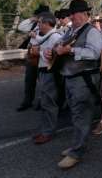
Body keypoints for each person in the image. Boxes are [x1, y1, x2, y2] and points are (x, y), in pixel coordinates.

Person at [46, 0, 102, 169]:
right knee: (76, 115)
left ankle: (77, 152)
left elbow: (94, 53)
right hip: (70, 78)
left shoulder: (92, 31)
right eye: (71, 14)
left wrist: (71, 50)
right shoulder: (71, 30)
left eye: (74, 13)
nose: (71, 16)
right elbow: (59, 44)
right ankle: (77, 145)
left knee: (81, 116)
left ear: (84, 14)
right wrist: (53, 50)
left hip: (83, 80)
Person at [32, 12, 62, 144]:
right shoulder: (47, 36)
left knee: (48, 103)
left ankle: (48, 132)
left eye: (40, 23)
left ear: (46, 23)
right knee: (45, 102)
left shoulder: (55, 37)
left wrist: (38, 52)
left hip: (50, 72)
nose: (38, 25)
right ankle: (45, 129)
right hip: (44, 71)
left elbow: (52, 58)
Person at [16, 4, 50, 112]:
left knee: (44, 81)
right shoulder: (35, 24)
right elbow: (21, 27)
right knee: (29, 79)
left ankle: (43, 101)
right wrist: (32, 19)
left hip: (42, 56)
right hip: (32, 56)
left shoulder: (50, 26)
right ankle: (27, 101)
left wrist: (36, 37)